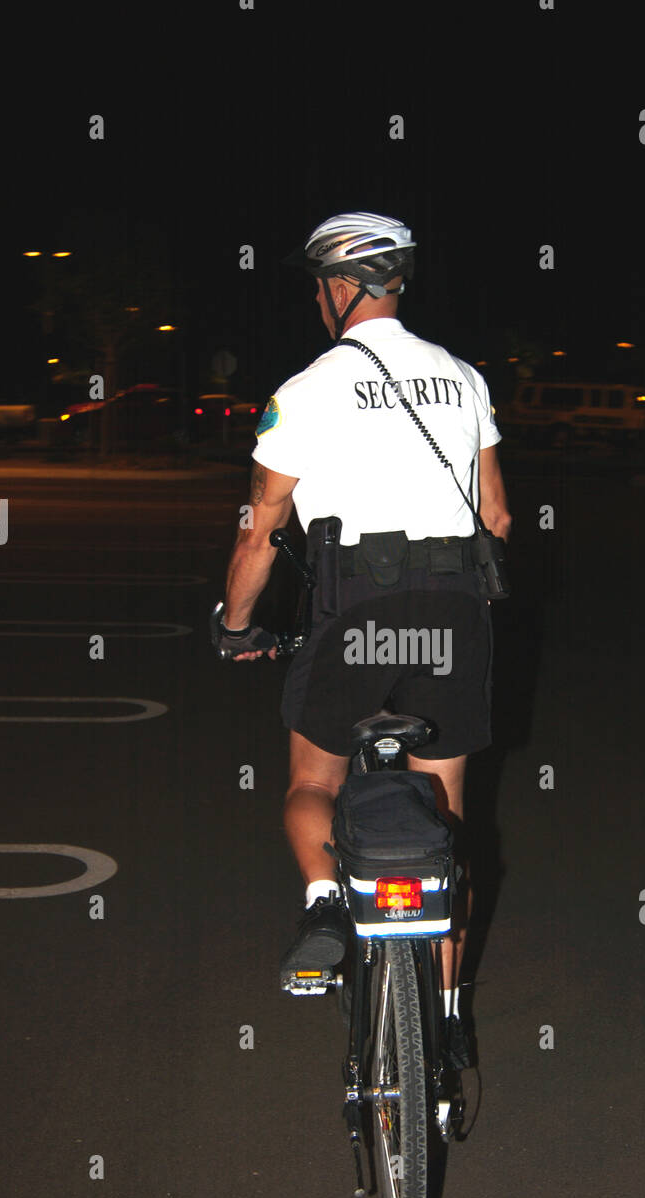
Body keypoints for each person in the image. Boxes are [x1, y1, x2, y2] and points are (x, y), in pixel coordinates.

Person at [216, 212, 511, 1064]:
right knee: (446, 820)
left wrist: (235, 628)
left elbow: (259, 532)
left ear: (340, 289)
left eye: (320, 287)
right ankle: (448, 1019)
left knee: (312, 781)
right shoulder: (463, 378)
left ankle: (322, 903)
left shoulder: (306, 391)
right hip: (454, 622)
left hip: (353, 620)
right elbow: (494, 515)